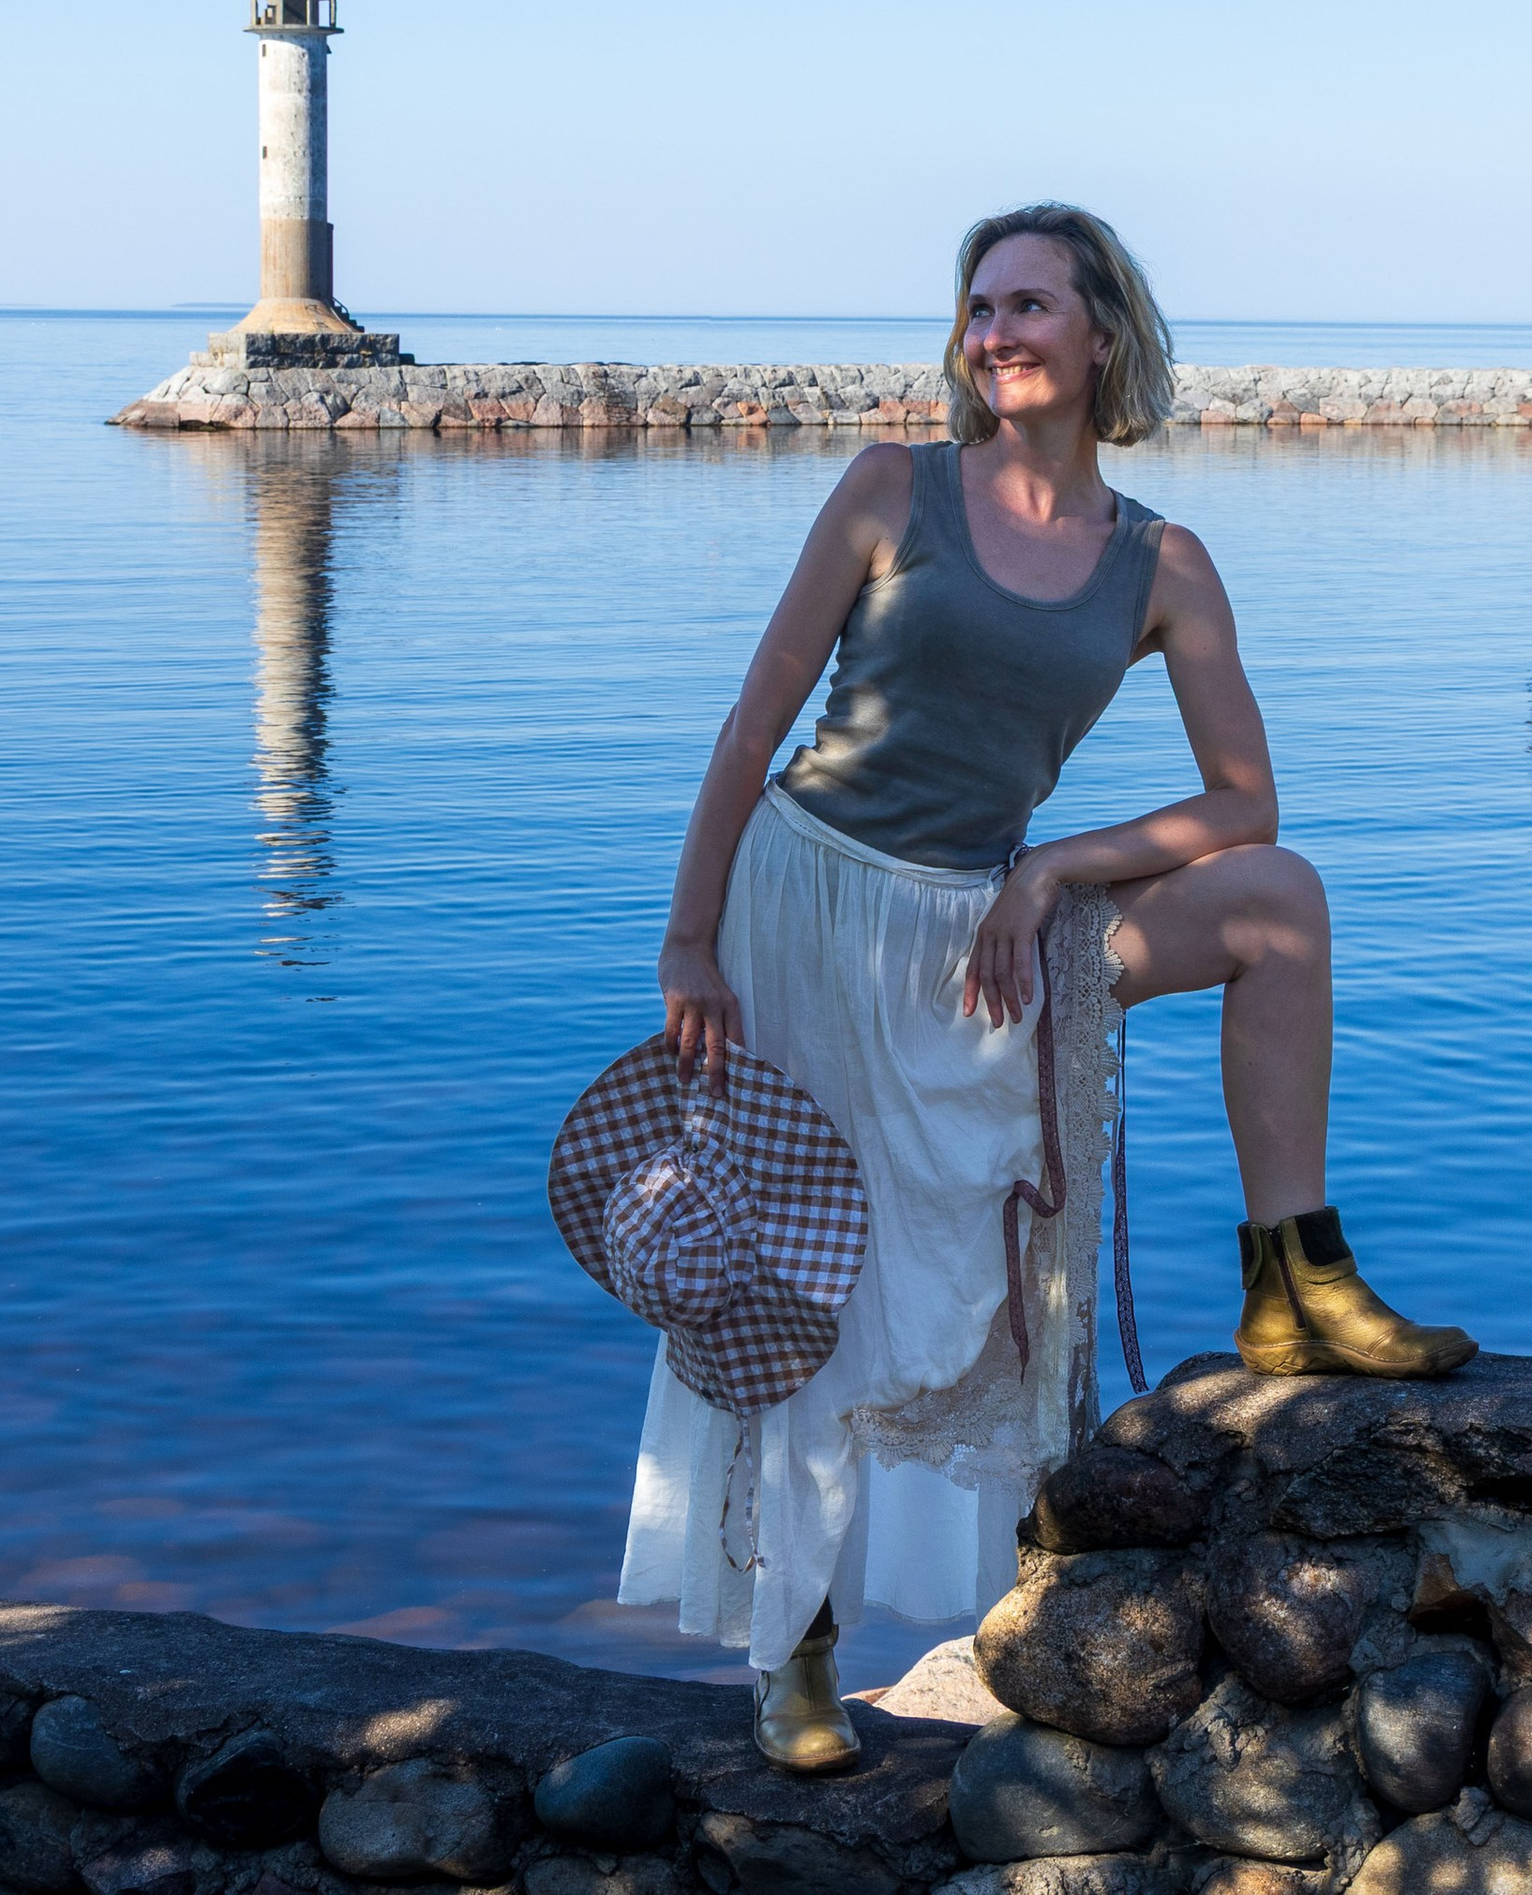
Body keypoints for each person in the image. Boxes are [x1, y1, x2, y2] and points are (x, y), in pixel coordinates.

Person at [617, 204, 1474, 1774]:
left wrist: (1057, 865)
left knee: (1280, 906)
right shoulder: (894, 490)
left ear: (1100, 336)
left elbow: (1245, 807)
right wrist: (687, 941)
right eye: (977, 307)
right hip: (807, 910)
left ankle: (1297, 1286)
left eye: (1028, 304)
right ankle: (792, 1651)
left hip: (990, 928)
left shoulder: (1163, 562)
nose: (995, 331)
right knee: (813, 1280)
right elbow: (752, 730)